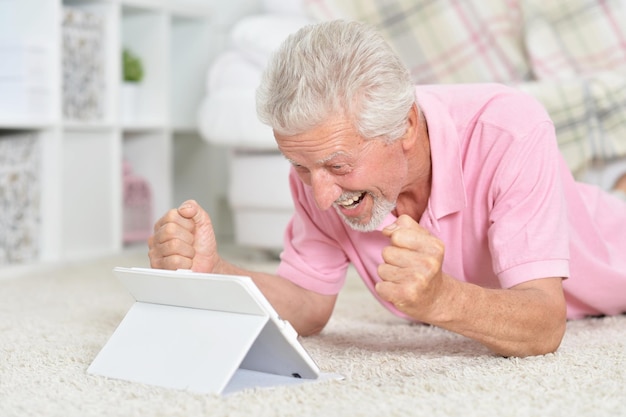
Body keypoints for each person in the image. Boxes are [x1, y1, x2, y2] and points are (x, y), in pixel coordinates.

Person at [148, 20, 626, 358]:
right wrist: (212, 270)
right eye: (299, 166)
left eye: (338, 165)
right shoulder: (319, 170)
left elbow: (545, 323)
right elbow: (308, 306)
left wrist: (443, 300)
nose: (321, 196)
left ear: (406, 127)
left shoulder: (508, 129)